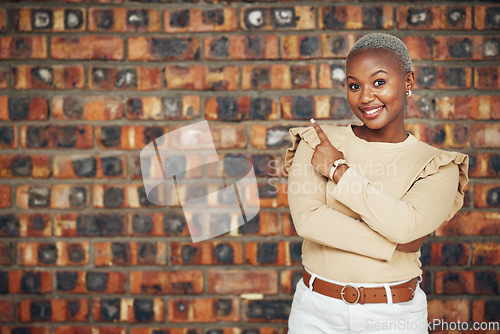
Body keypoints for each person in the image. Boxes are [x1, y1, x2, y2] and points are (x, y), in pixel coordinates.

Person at [284, 33, 469, 334]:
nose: (365, 96)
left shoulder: (437, 165)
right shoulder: (318, 141)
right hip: (315, 313)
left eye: (379, 82)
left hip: (394, 316)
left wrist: (338, 171)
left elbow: (408, 228)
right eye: (354, 85)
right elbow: (308, 221)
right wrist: (395, 241)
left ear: (408, 82)